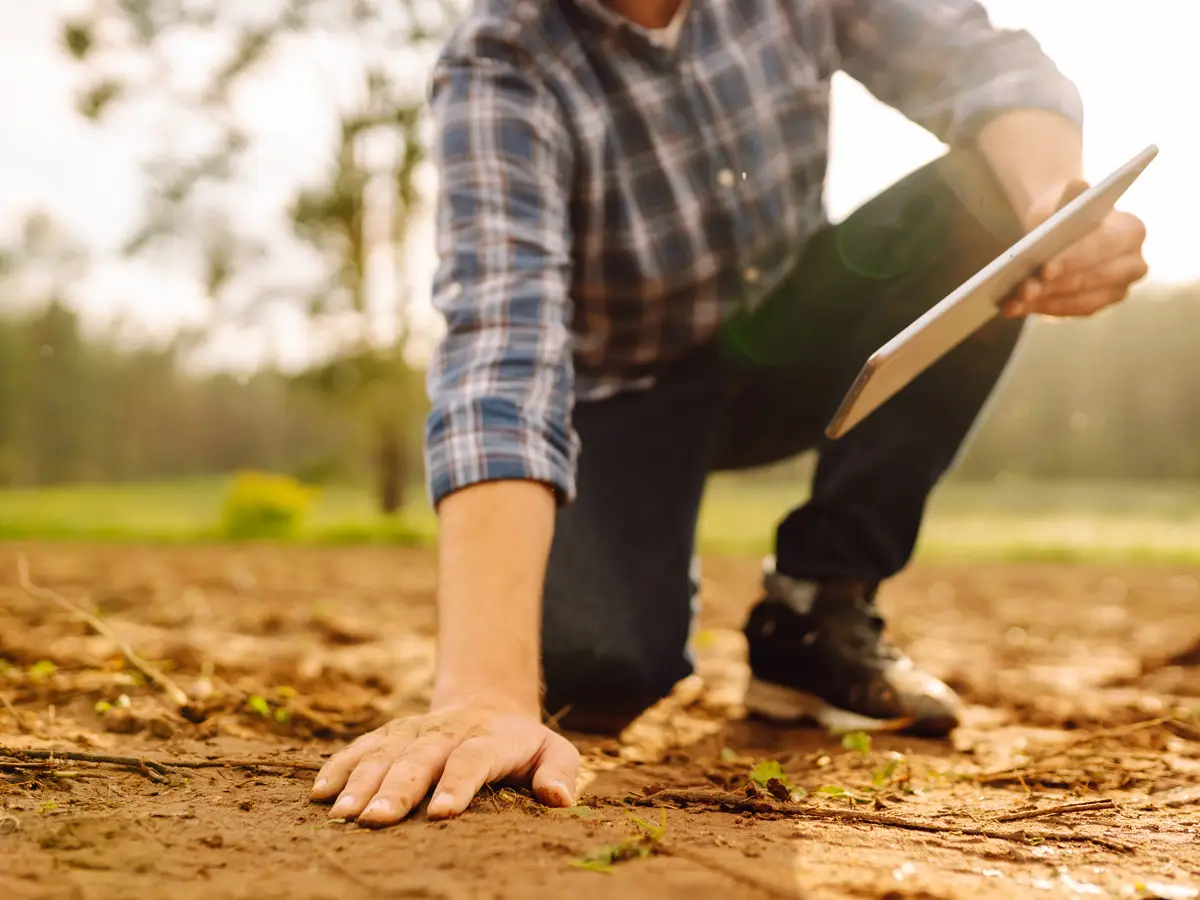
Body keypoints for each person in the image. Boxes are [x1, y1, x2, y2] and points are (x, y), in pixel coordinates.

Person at [310, 0, 1149, 827]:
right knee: (594, 668)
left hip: (796, 338)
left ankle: (815, 613)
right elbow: (503, 349)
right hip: (622, 400)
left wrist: (1055, 216)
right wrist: (484, 692)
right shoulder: (502, 64)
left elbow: (985, 63)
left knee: (992, 207)